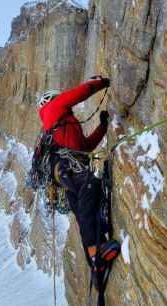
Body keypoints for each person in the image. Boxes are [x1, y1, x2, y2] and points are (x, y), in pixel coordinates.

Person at [36, 78, 121, 288]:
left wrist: (102, 127)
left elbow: (86, 146)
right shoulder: (53, 108)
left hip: (66, 170)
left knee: (84, 211)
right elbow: (78, 94)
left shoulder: (63, 126)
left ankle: (95, 263)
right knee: (88, 186)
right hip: (66, 166)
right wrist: (100, 83)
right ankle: (96, 254)